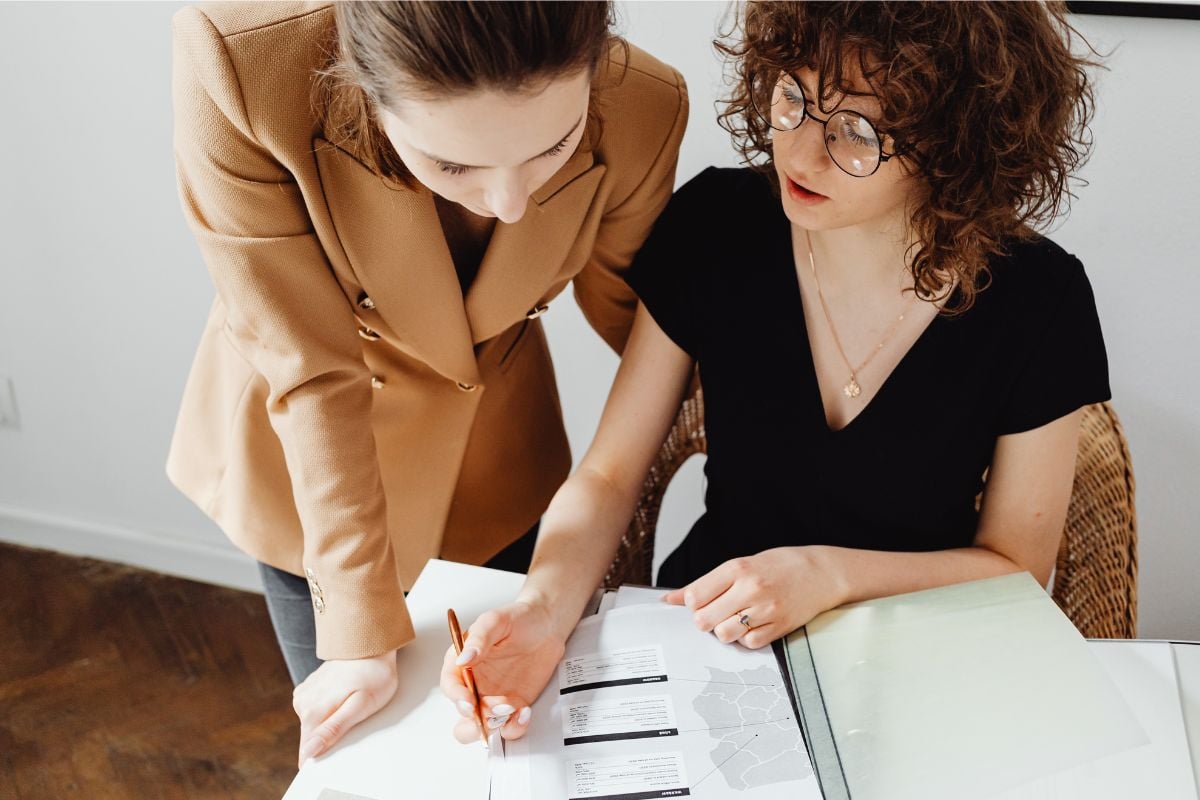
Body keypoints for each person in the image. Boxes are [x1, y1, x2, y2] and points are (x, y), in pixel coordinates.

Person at [441, 0, 1108, 743]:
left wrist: (828, 576)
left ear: (958, 142)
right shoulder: (717, 225)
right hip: (707, 636)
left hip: (915, 656)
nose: (800, 153)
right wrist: (541, 610)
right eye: (792, 96)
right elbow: (607, 477)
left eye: (857, 132)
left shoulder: (1038, 299)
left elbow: (1015, 566)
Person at [168, 0, 687, 764]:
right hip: (310, 472)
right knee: (367, 757)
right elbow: (307, 364)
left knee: (508, 749)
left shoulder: (644, 107)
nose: (510, 202)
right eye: (454, 165)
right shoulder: (243, 66)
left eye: (555, 145)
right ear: (363, 86)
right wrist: (357, 630)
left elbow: (640, 325)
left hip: (497, 456)